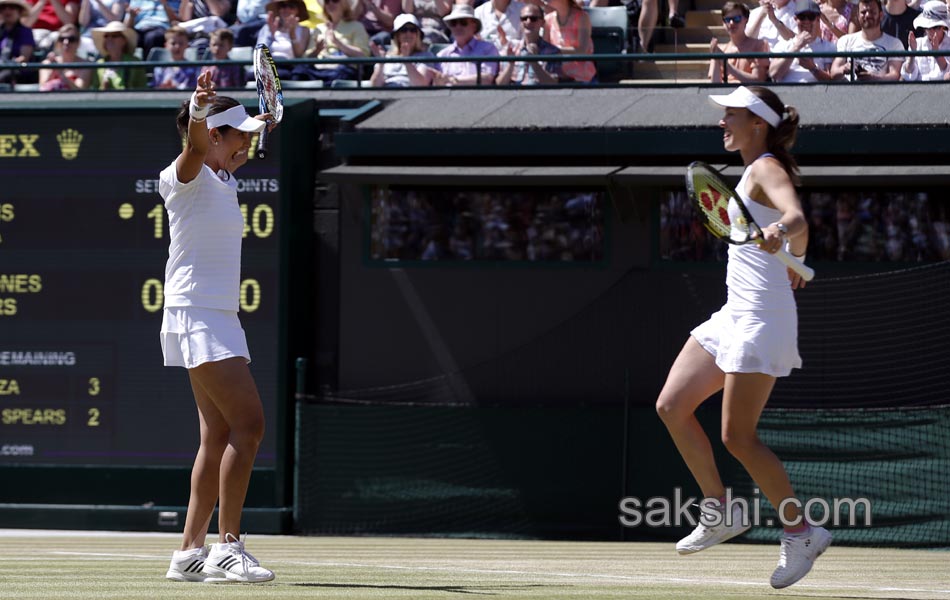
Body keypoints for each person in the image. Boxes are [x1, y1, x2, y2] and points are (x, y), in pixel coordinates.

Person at [656, 85, 831, 591]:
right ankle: (720, 510)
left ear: (757, 123)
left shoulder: (767, 168)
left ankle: (801, 531)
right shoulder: (751, 171)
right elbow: (797, 233)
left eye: (731, 114)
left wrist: (786, 231)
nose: (722, 122)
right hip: (734, 312)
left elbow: (795, 213)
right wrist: (793, 252)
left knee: (737, 436)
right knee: (671, 406)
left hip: (762, 317)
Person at [161, 71, 275, 585]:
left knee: (219, 434)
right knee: (249, 426)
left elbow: (223, 152)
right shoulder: (181, 177)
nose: (248, 141)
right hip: (198, 314)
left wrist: (251, 125)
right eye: (239, 134)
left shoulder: (226, 180)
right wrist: (200, 115)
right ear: (211, 135)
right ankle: (227, 548)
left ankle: (189, 552)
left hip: (213, 315)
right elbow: (191, 156)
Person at [293, 0, 368, 82]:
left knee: (341, 74)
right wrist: (317, 50)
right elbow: (306, 57)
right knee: (299, 71)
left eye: (335, 0)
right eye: (327, 1)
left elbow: (363, 55)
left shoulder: (356, 26)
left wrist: (338, 43)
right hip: (318, 69)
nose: (330, 4)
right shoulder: (319, 28)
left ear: (344, 4)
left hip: (342, 69)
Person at [830, 0, 902, 80]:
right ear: (857, 16)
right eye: (863, 12)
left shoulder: (894, 43)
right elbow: (833, 72)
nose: (867, 15)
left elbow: (895, 75)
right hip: (850, 90)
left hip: (880, 91)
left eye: (872, 12)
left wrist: (873, 78)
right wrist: (844, 69)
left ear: (881, 15)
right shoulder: (846, 41)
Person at [431, 3, 497, 86]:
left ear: (474, 26)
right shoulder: (442, 55)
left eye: (463, 22)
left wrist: (454, 80)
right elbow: (437, 84)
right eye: (453, 23)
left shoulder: (488, 49)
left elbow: (487, 79)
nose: (458, 27)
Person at [495, 2, 560, 85]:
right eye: (524, 18)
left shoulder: (552, 52)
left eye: (533, 19)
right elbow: (499, 84)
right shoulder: (512, 49)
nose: (528, 21)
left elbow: (553, 84)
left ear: (542, 23)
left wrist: (535, 63)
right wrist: (511, 65)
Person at [769, 0, 835, 81]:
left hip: (817, 92)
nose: (806, 21)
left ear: (818, 19)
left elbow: (831, 82)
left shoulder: (828, 47)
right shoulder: (783, 45)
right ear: (795, 19)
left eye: (811, 17)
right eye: (802, 17)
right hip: (787, 92)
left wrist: (813, 68)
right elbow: (774, 74)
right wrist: (796, 47)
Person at [708, 1, 769, 83]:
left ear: (746, 20)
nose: (731, 23)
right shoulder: (720, 50)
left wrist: (726, 65)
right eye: (727, 20)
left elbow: (758, 79)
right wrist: (716, 58)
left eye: (737, 19)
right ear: (723, 23)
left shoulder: (760, 45)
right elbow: (715, 85)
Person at [369, 12, 435, 86]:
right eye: (404, 30)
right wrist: (381, 63)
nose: (408, 34)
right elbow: (375, 86)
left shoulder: (426, 56)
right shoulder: (386, 57)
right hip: (387, 94)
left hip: (412, 96)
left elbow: (421, 84)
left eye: (412, 30)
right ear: (397, 35)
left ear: (418, 34)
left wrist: (407, 60)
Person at [542, 0, 595, 83]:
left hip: (580, 75)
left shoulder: (582, 17)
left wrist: (556, 50)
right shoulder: (548, 19)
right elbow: (545, 50)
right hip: (555, 74)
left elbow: (583, 51)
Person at [256, 0, 309, 79]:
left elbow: (299, 55)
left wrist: (292, 34)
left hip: (289, 68)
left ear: (297, 10)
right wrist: (271, 35)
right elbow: (259, 53)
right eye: (283, 6)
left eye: (291, 6)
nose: (287, 10)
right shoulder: (268, 27)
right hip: (267, 66)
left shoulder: (304, 30)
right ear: (279, 9)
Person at [89, 19, 147, 87]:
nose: (109, 39)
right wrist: (103, 88)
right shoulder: (99, 64)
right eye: (106, 36)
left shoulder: (135, 62)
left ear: (124, 41)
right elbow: (94, 91)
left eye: (114, 36)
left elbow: (142, 89)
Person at [901, 0, 950, 80]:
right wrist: (912, 54)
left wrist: (938, 55)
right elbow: (908, 75)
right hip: (917, 91)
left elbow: (947, 75)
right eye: (927, 27)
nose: (931, 31)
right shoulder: (917, 43)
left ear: (943, 27)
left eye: (935, 27)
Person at [39, 23, 92, 89]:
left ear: (78, 43)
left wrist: (61, 73)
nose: (66, 42)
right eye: (62, 39)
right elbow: (42, 90)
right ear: (57, 43)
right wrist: (53, 70)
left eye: (71, 39)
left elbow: (80, 90)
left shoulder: (85, 65)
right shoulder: (47, 63)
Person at [0, 0, 35, 86]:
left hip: (17, 70)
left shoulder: (25, 32)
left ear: (19, 12)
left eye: (12, 7)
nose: (7, 11)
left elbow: (24, 58)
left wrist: (6, 63)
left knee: (5, 76)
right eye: (3, 8)